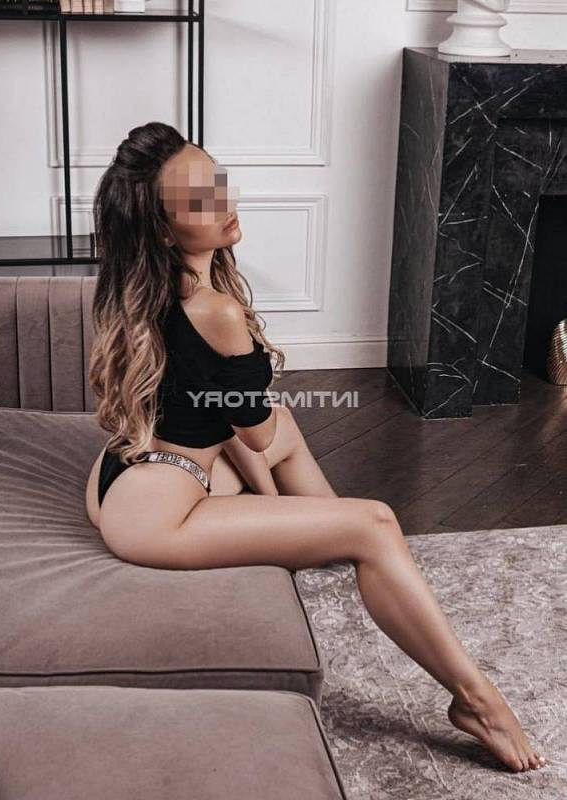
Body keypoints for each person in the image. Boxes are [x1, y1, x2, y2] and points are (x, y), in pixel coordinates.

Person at [84, 121, 546, 774]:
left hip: (118, 475)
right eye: (199, 199)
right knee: (372, 520)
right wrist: (252, 381)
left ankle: (335, 541)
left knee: (285, 428)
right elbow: (255, 435)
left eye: (217, 182)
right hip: (157, 515)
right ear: (164, 229)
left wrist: (263, 443)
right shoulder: (215, 310)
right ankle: (475, 700)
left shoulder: (154, 289)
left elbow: (221, 417)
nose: (224, 201)